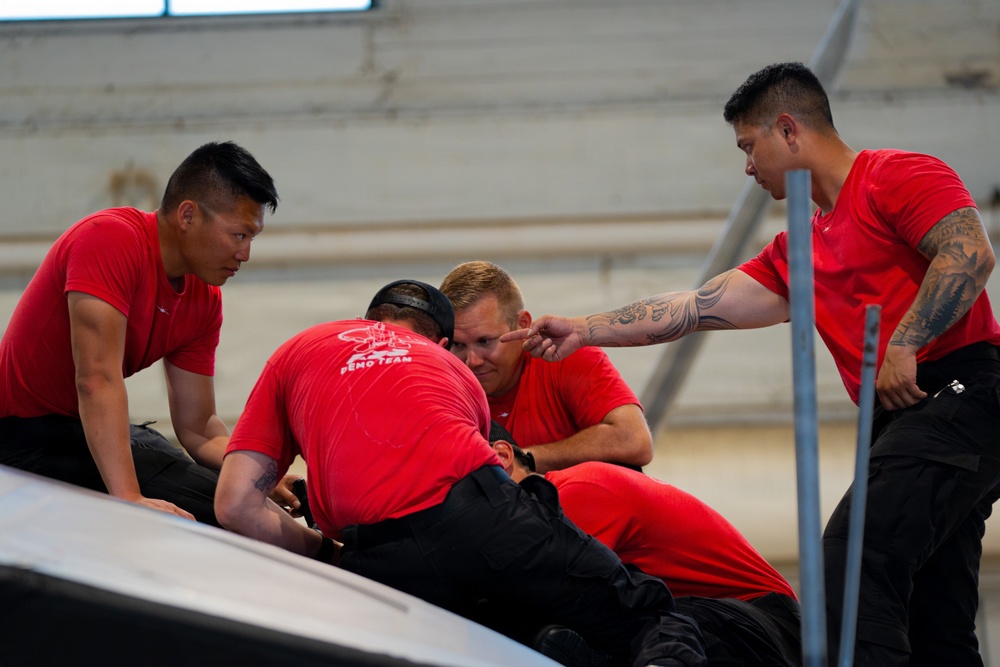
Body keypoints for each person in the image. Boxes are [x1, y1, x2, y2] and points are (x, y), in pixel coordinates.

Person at [503, 61, 1000, 667]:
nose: (746, 167)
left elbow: (971, 252)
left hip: (959, 385)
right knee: (933, 608)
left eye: (749, 145)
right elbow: (695, 307)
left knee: (851, 558)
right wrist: (585, 329)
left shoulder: (895, 175)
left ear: (788, 130)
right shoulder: (800, 245)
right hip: (903, 412)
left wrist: (903, 342)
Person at [214, 280, 708, 667]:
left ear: (367, 322)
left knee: (468, 632)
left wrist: (328, 552)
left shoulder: (297, 350)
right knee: (649, 616)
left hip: (374, 552)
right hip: (480, 513)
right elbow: (492, 481)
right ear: (444, 343)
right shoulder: (448, 369)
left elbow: (235, 504)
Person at [0, 141, 281, 526]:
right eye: (238, 235)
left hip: (78, 431)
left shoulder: (205, 299)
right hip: (20, 434)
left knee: (239, 495)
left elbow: (198, 426)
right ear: (187, 215)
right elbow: (96, 380)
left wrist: (258, 473)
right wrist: (129, 498)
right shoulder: (108, 239)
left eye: (253, 238)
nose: (245, 254)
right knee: (215, 509)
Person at [490, 422, 801, 666]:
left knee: (596, 627)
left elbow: (546, 597)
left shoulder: (575, 491)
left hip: (762, 624)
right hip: (721, 622)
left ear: (502, 457)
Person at [439, 260, 652, 472]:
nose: (473, 361)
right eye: (458, 345)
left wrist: (524, 460)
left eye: (484, 341)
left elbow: (635, 440)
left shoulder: (565, 356)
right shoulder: (439, 386)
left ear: (523, 324)